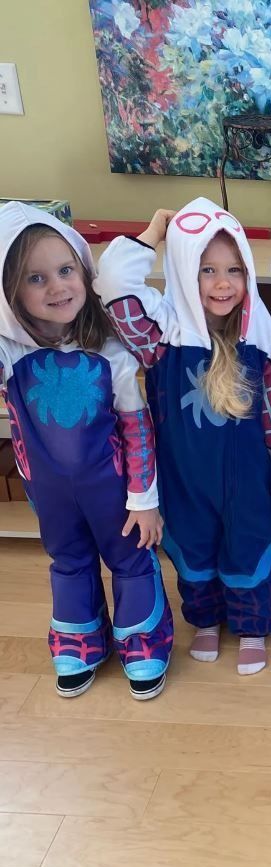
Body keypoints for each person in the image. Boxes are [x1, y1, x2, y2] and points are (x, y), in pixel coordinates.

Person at [95, 198, 271, 676]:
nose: (223, 283)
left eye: (234, 270)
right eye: (207, 269)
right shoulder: (163, 332)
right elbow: (112, 287)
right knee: (193, 549)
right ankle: (207, 621)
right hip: (185, 479)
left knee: (250, 548)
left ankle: (252, 627)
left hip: (248, 480)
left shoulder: (259, 333)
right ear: (185, 269)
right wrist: (152, 236)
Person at [0, 202, 172, 699]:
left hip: (114, 491)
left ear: (84, 270)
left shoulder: (111, 350)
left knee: (131, 557)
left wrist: (144, 499)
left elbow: (137, 427)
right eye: (36, 278)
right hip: (50, 495)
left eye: (65, 270)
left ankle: (143, 639)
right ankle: (78, 639)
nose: (57, 287)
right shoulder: (11, 354)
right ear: (11, 292)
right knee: (68, 560)